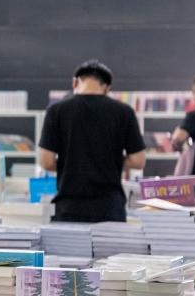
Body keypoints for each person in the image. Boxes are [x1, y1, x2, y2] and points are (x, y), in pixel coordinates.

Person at [38, 60, 146, 222]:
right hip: (110, 207)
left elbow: (46, 162)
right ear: (107, 88)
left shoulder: (56, 111)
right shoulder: (124, 112)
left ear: (75, 82)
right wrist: (111, 161)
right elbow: (138, 161)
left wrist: (72, 164)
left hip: (69, 206)